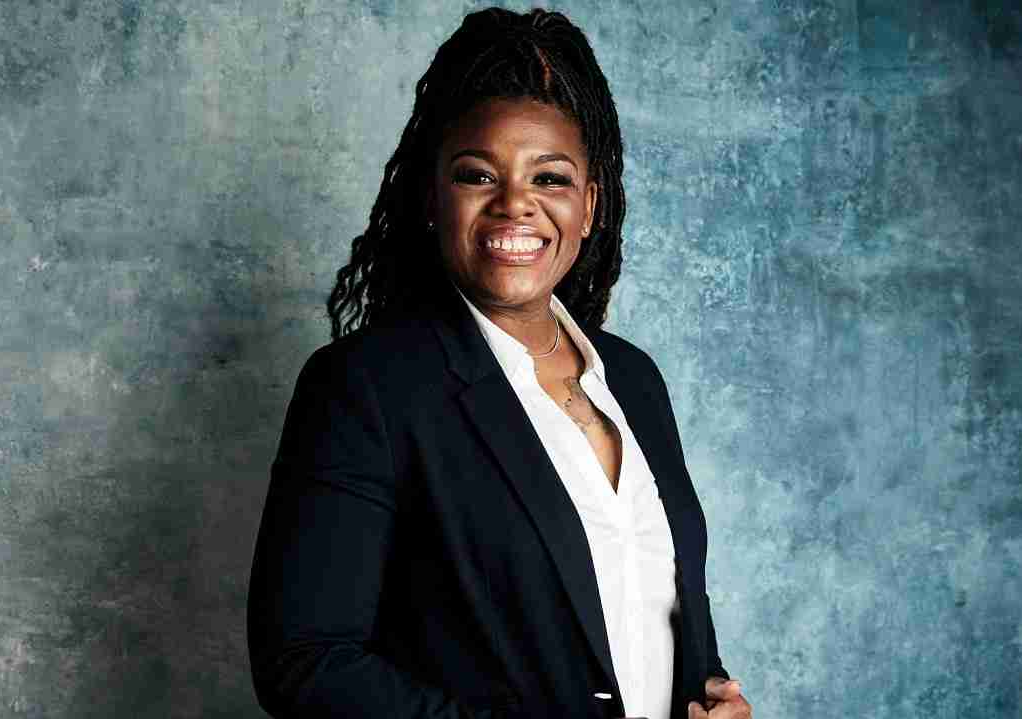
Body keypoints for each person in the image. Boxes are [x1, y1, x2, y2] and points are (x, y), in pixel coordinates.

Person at [247, 8, 751, 719]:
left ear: (588, 207)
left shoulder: (634, 380)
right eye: (478, 175)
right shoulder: (367, 388)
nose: (516, 205)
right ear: (433, 197)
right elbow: (305, 662)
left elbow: (654, 612)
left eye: (550, 179)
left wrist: (715, 695)